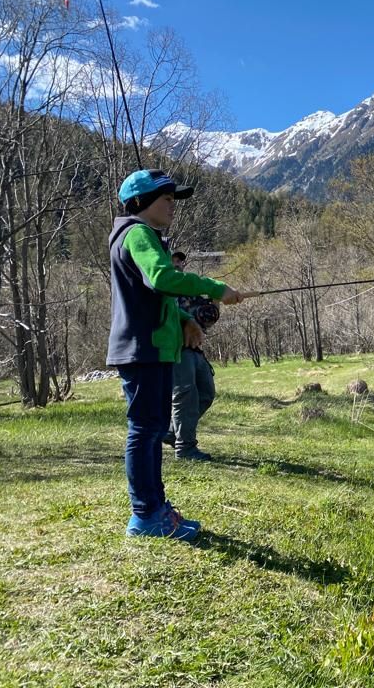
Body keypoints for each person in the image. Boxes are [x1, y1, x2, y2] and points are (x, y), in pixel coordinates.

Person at [107, 169, 244, 541]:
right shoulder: (137, 233)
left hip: (153, 348)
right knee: (144, 430)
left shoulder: (140, 234)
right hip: (142, 348)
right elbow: (162, 278)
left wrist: (186, 320)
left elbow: (155, 295)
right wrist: (213, 287)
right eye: (166, 199)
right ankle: (144, 515)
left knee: (153, 430)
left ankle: (157, 509)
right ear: (140, 202)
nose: (172, 206)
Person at [164, 251, 218, 461]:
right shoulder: (161, 288)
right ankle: (185, 448)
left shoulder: (190, 291)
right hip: (176, 349)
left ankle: (172, 432)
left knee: (206, 392)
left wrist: (216, 300)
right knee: (184, 396)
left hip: (195, 349)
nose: (178, 263)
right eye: (173, 260)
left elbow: (207, 317)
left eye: (180, 260)